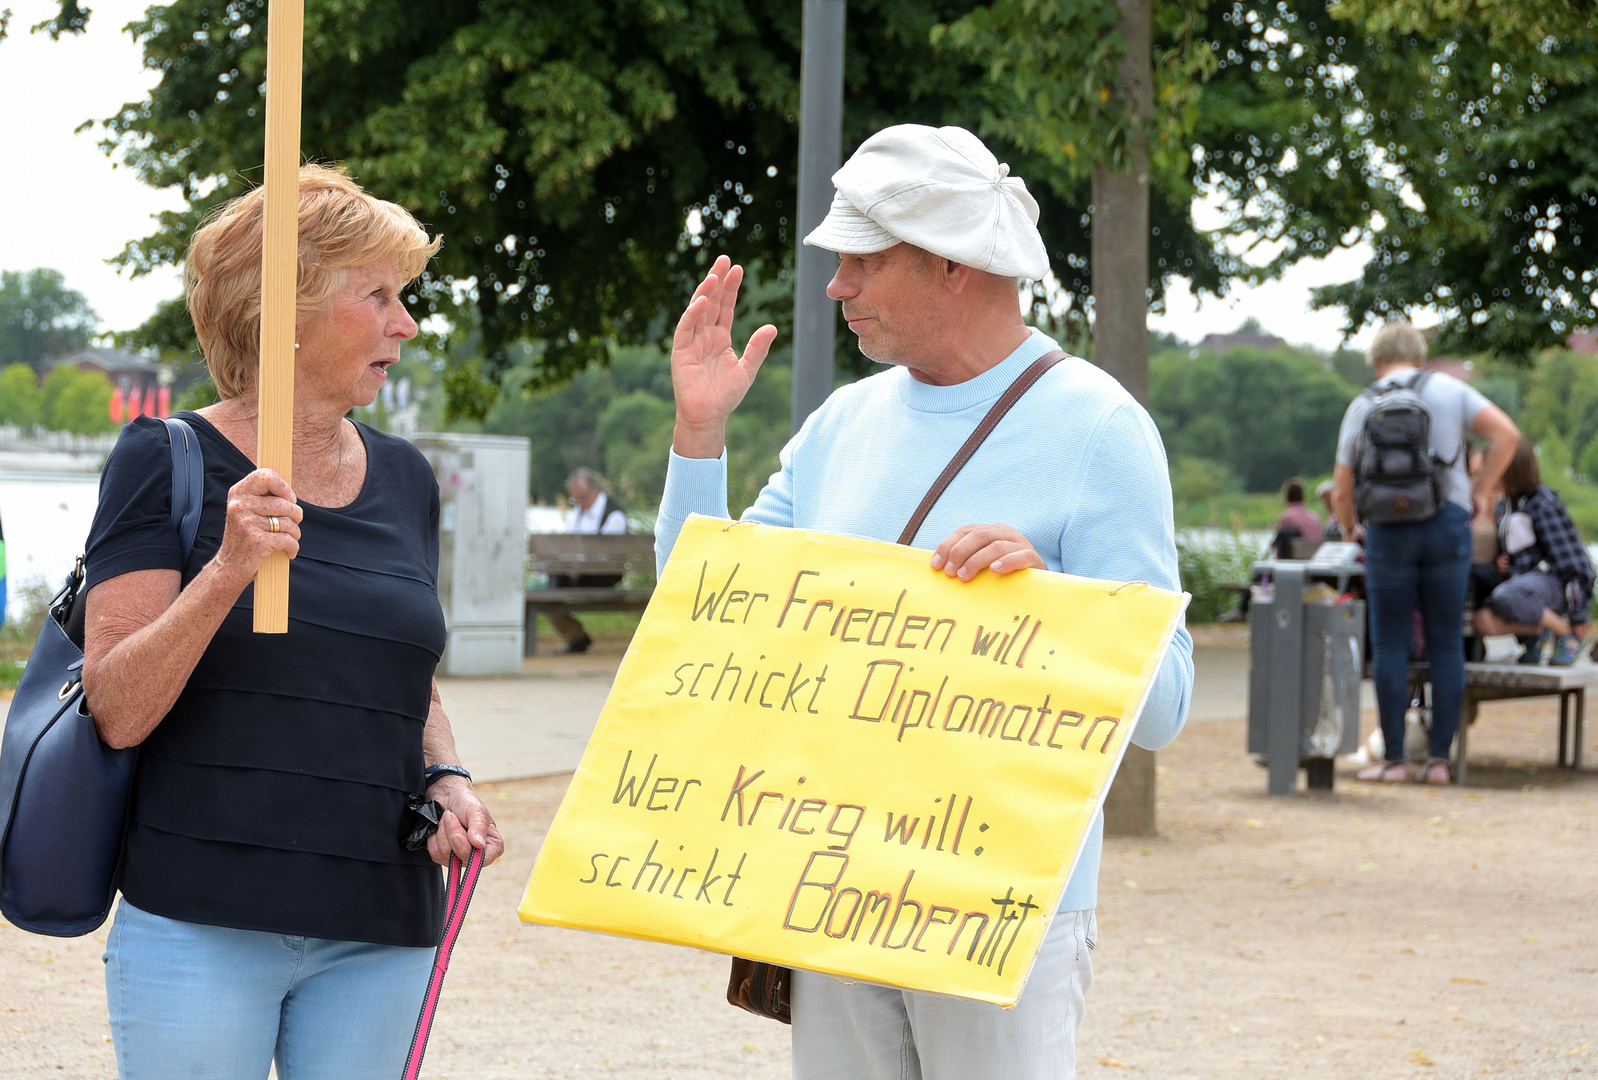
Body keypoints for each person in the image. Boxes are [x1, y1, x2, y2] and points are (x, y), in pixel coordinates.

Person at [658, 124, 1193, 1079]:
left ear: (953, 265)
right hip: (834, 879)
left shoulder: (1101, 427)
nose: (836, 288)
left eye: (862, 260)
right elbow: (700, 614)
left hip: (999, 898)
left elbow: (1163, 712)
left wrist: (1058, 606)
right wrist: (699, 435)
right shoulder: (841, 424)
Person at [79, 164, 504, 1080]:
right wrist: (230, 569)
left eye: (407, 297)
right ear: (287, 310)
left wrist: (450, 777)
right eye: (380, 296)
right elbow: (115, 706)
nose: (408, 324)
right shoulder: (167, 458)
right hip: (201, 919)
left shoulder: (407, 479)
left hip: (381, 922)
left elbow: (401, 670)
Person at [1330, 320, 1520, 785]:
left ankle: (1393, 759)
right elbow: (1507, 436)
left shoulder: (1363, 402)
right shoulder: (1450, 390)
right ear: (1419, 356)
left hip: (1388, 533)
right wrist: (1480, 489)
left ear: (1376, 360)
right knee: (1446, 641)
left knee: (1391, 642)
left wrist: (1354, 530)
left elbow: (1341, 490)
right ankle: (1438, 761)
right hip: (1446, 526)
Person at [1474, 437, 1594, 664]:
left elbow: (1575, 563)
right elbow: (1520, 548)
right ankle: (1536, 633)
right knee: (1482, 620)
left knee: (1506, 595)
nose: (1485, 474)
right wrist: (1503, 560)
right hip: (1522, 584)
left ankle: (1566, 633)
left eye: (1491, 466)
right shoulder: (1504, 506)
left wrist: (1579, 613)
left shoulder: (1543, 503)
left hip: (1550, 585)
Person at [545, 467, 627, 654]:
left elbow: (606, 557)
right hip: (580, 572)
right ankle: (575, 637)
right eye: (575, 499)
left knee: (552, 588)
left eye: (582, 497)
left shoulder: (613, 515)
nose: (579, 503)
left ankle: (577, 638)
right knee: (551, 586)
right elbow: (569, 541)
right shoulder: (581, 511)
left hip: (603, 576)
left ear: (594, 490)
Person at [1272, 477, 1323, 557]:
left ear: (1286, 498)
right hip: (1315, 556)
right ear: (1303, 497)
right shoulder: (1315, 516)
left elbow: (1280, 546)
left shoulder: (1286, 518)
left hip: (1298, 558)